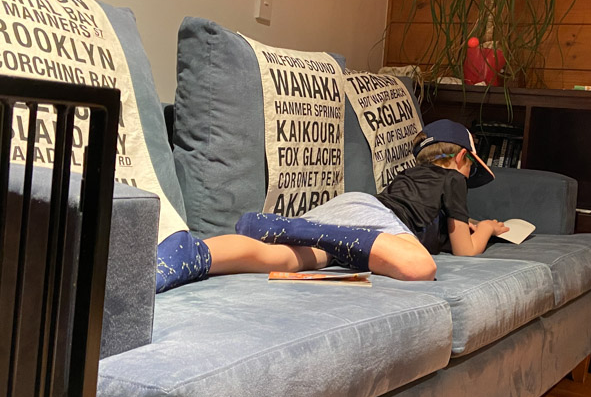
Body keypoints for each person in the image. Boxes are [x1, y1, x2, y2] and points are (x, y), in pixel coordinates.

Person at [155, 119, 511, 291]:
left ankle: (194, 254)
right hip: (375, 221)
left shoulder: (410, 177)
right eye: (470, 168)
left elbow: (425, 220)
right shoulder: (453, 179)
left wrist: (455, 225)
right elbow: (464, 250)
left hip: (352, 211)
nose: (467, 177)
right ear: (462, 158)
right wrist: (485, 229)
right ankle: (298, 228)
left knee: (290, 259)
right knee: (419, 265)